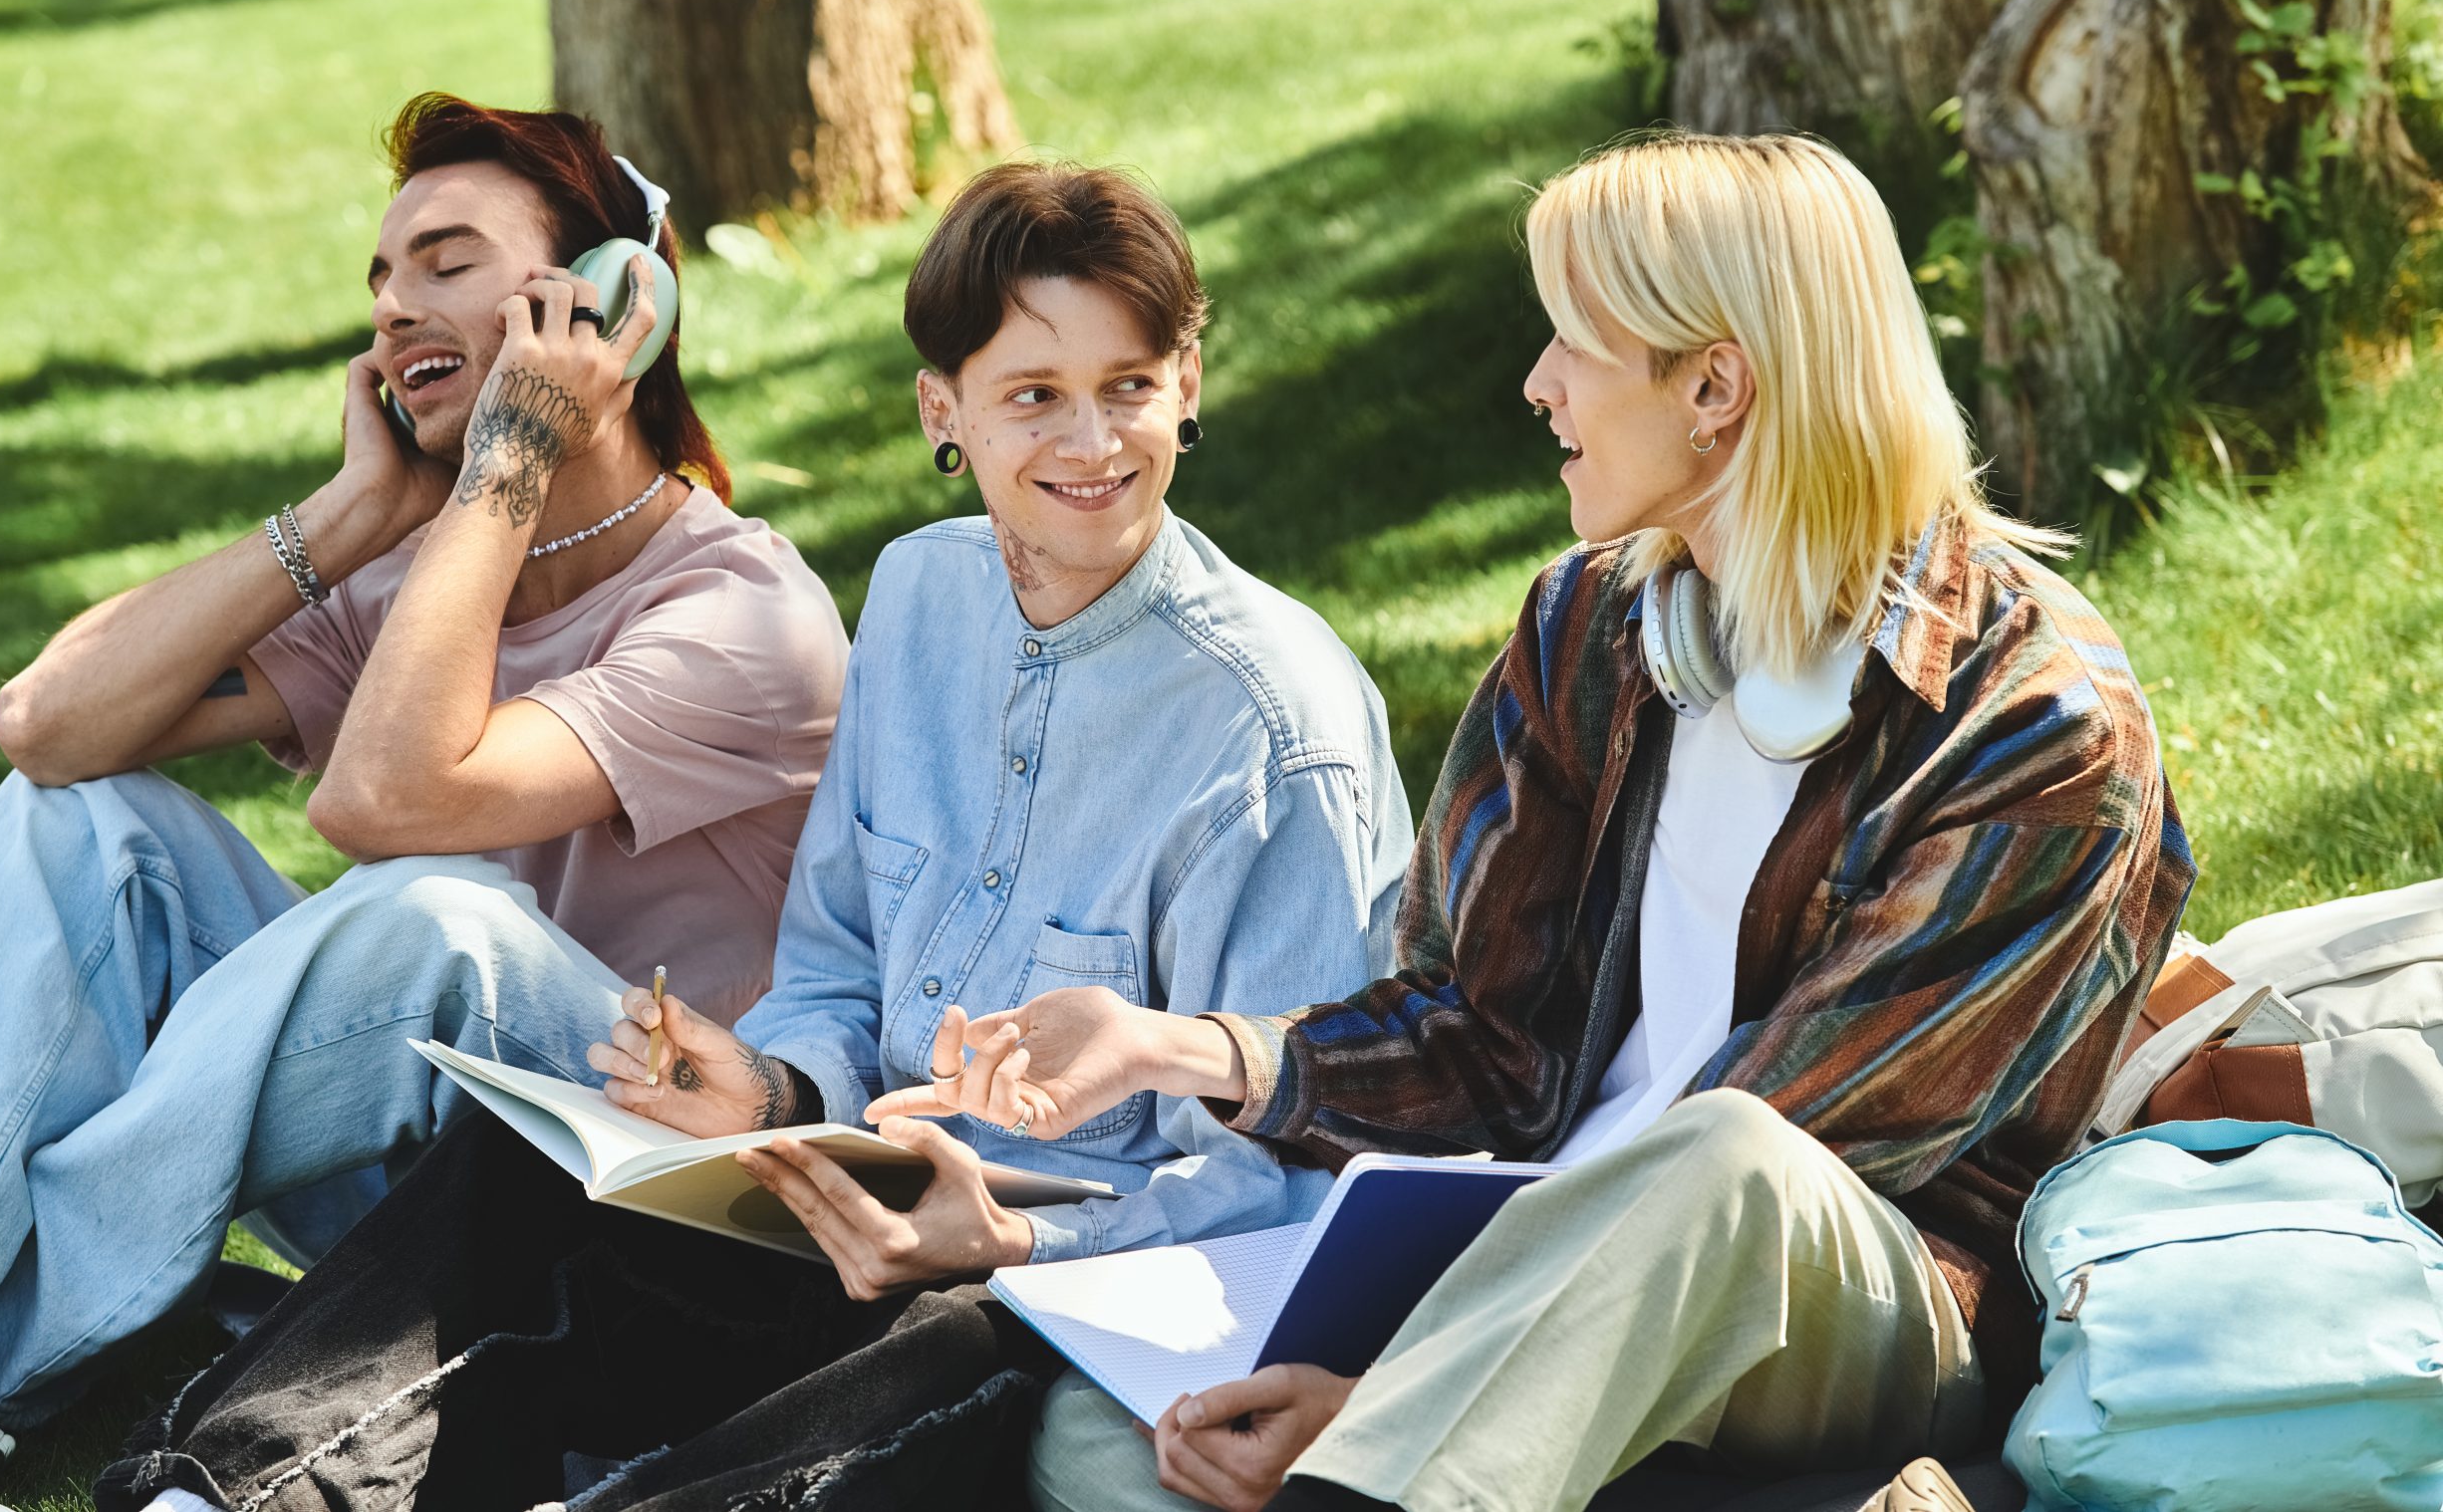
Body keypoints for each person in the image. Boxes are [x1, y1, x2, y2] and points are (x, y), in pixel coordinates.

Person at [882, 131, 2199, 1512]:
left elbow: (1798, 1153)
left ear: (1715, 387)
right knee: (1112, 1449)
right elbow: (1483, 1036)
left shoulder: (2037, 725)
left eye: (1573, 340)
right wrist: (1175, 1049)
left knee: (1726, 1161)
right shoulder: (1595, 626)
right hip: (1538, 1248)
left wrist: (1395, 1394)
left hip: (1850, 1302)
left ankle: (1381, 1489)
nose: (1536, 383)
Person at [83, 160, 1415, 1512]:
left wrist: (1000, 1237)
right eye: (1035, 398)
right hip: (841, 1200)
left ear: (1187, 383)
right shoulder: (918, 594)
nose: (1093, 446)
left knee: (948, 1347)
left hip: (1057, 1283)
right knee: (525, 1163)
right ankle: (214, 1493)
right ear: (940, 410)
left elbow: (1293, 1173)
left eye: (1130, 387)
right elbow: (837, 960)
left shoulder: (1277, 733)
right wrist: (771, 1097)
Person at [0, 95, 849, 1460]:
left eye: (447, 264)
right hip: (425, 1144)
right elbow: (46, 725)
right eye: (383, 280)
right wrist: (349, 517)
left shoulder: (745, 617)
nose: (394, 310)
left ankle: (4, 1343)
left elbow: (382, 810)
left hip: (646, 1172)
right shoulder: (420, 567)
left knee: (436, 914)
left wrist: (506, 458)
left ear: (613, 302)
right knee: (87, 822)